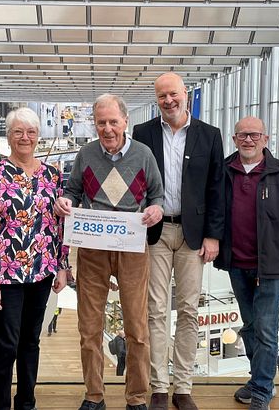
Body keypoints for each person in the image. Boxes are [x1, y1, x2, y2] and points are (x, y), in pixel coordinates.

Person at [54, 93, 164, 410]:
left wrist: (156, 210)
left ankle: (137, 397)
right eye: (101, 122)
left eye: (113, 121)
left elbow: (157, 195)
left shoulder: (143, 155)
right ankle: (94, 395)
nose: (107, 128)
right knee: (89, 326)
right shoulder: (86, 155)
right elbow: (72, 190)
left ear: (125, 121)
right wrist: (66, 202)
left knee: (137, 327)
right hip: (92, 249)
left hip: (131, 248)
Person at [132, 72, 225, 410]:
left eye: (173, 94)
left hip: (194, 235)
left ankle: (183, 386)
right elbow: (136, 182)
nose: (168, 101)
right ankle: (158, 386)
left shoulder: (209, 135)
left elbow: (217, 187)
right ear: (156, 100)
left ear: (185, 94)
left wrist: (214, 235)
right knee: (155, 310)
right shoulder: (142, 134)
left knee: (188, 310)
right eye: (162, 97)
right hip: (154, 233)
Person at [0, 107, 70, 410]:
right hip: (5, 276)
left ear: (38, 136)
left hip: (42, 272)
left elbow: (61, 226)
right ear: (9, 135)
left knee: (31, 342)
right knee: (5, 345)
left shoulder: (52, 175)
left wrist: (62, 266)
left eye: (30, 132)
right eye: (18, 131)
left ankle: (26, 402)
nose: (25, 137)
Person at [213, 116, 279, 410]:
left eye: (254, 135)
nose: (248, 140)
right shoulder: (224, 170)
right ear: (234, 139)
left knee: (266, 328)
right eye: (242, 135)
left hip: (272, 267)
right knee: (251, 326)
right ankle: (259, 380)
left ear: (266, 139)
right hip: (237, 264)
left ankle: (263, 388)